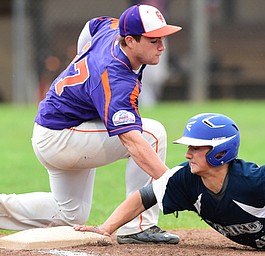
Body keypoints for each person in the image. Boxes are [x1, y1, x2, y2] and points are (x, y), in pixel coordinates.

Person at [0, 4, 182, 245]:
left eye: (162, 38)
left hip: (56, 129)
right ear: (130, 41)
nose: (161, 46)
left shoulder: (112, 28)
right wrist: (174, 184)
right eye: (153, 40)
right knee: (152, 134)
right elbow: (132, 142)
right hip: (62, 137)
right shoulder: (116, 77)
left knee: (71, 214)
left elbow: (92, 25)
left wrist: (84, 59)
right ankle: (139, 226)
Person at [75, 113, 265, 251]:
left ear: (220, 151)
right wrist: (106, 228)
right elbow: (144, 197)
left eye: (196, 147)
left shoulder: (256, 180)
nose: (187, 154)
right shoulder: (186, 179)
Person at [129, 0, 170, 107]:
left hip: (160, 30)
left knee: (159, 76)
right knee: (144, 76)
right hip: (143, 34)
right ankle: (147, 103)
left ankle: (152, 100)